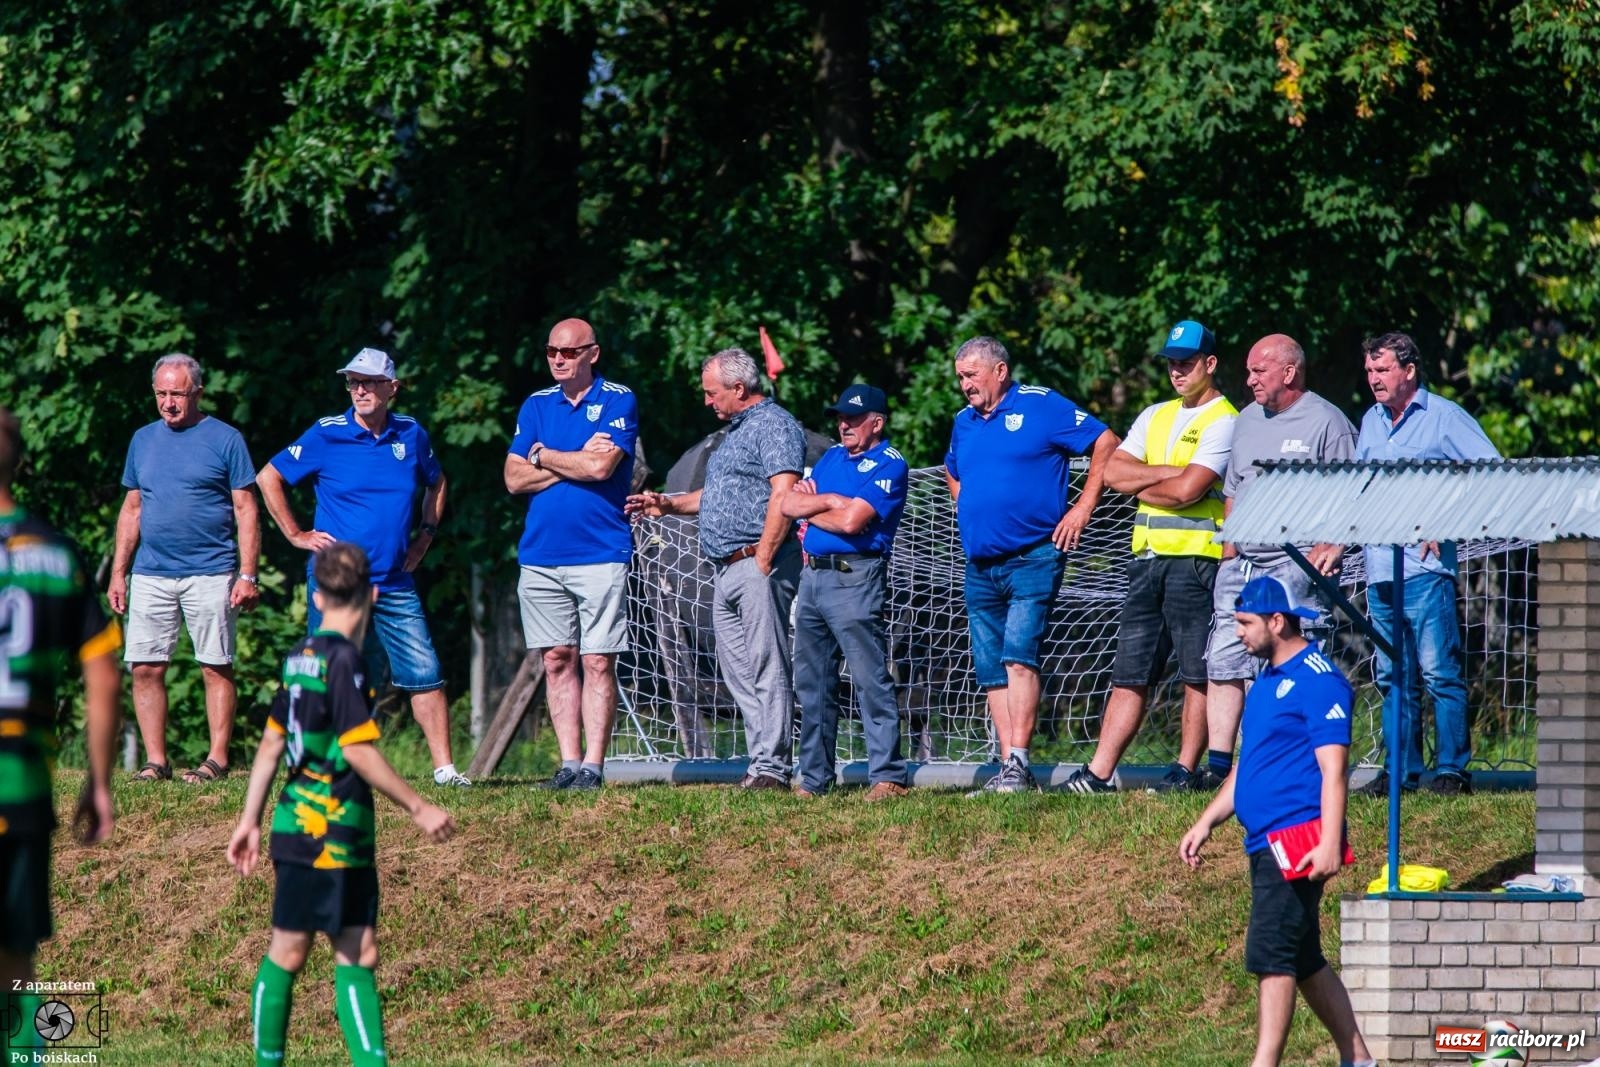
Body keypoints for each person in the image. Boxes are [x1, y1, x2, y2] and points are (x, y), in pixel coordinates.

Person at [227, 542, 456, 1067]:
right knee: (338, 951)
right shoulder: (346, 661)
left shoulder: (300, 655)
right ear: (373, 593)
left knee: (318, 949)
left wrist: (250, 821)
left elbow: (269, 745)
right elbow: (356, 748)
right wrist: (419, 807)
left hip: (296, 823)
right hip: (331, 828)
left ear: (316, 593)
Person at [1178, 575, 1376, 1067]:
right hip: (1264, 839)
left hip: (1296, 839)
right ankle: (1360, 1059)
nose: (1239, 633)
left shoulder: (1319, 680)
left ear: (1277, 620)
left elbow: (1334, 771)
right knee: (1304, 958)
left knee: (1272, 955)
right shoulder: (1266, 679)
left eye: (1245, 623)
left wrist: (1331, 840)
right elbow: (1253, 764)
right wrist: (1207, 822)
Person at [256, 347, 470, 787]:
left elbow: (437, 480)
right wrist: (296, 535)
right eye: (353, 382)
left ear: (392, 388)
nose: (360, 390)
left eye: (369, 382)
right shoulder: (326, 433)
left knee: (424, 670)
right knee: (331, 671)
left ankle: (445, 771)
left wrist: (426, 534)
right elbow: (268, 476)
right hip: (338, 582)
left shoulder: (411, 434)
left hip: (393, 579)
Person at [1065, 320, 1236, 794]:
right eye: (1171, 362)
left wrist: (1150, 481)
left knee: (1196, 674)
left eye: (1186, 362)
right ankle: (1098, 774)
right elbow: (1115, 471)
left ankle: (1185, 771)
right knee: (1129, 672)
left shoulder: (1225, 419)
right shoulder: (1154, 414)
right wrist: (1170, 475)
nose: (1177, 371)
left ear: (1210, 364)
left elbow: (1190, 490)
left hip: (1196, 562)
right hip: (1145, 559)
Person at [944, 336, 1119, 794]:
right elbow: (952, 469)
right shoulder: (964, 422)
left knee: (1019, 655)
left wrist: (1082, 508)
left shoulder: (1041, 405)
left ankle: (1020, 762)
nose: (964, 385)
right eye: (960, 376)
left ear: (999, 372)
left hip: (1034, 556)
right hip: (980, 563)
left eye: (972, 375)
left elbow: (1105, 440)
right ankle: (1008, 769)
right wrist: (969, 508)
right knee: (990, 670)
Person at [626, 348, 806, 790]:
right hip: (723, 569)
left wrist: (763, 556)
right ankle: (760, 760)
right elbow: (715, 496)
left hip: (754, 565)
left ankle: (774, 768)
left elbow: (783, 493)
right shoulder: (736, 433)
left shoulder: (774, 425)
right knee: (738, 671)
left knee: (767, 665)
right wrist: (667, 504)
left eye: (712, 393)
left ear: (739, 389)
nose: (708, 402)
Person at [0, 406, 122, 1051]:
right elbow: (104, 674)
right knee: (18, 965)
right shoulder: (57, 552)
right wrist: (98, 782)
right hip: (21, 790)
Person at [1201, 335, 1357, 791]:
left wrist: (1332, 544)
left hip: (1297, 564)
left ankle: (1291, 762)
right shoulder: (1246, 420)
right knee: (1224, 659)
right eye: (1248, 371)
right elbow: (1233, 489)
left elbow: (1352, 493)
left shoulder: (1328, 422)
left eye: (1258, 372)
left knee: (1290, 663)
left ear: (1289, 373)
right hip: (1243, 564)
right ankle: (1218, 767)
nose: (1248, 381)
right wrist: (1230, 551)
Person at [1354, 330, 1499, 796]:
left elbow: (1494, 472)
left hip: (1424, 571)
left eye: (1383, 370)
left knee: (1439, 673)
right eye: (1370, 371)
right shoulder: (1371, 421)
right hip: (1379, 569)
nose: (1374, 379)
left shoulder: (1443, 418)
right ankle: (1403, 773)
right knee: (1392, 674)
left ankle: (1453, 769)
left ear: (1409, 370)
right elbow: (1358, 487)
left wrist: (1449, 520)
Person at [109, 353, 260, 785]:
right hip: (152, 571)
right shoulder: (142, 440)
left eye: (177, 393)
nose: (168, 402)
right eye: (161, 393)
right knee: (145, 666)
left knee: (215, 664)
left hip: (211, 571)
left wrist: (247, 575)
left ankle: (216, 759)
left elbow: (246, 509)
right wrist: (119, 572)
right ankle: (156, 761)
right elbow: (132, 508)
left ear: (197, 392)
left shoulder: (225, 439)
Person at [505, 318, 638, 791]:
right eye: (551, 352)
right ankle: (568, 763)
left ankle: (594, 768)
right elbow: (513, 478)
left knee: (599, 659)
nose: (558, 359)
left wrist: (543, 456)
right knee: (557, 658)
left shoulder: (618, 399)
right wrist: (569, 458)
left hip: (601, 550)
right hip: (541, 553)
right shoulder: (537, 404)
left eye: (569, 352)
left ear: (592, 354)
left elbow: (603, 466)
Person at [781, 384, 910, 800]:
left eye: (853, 418)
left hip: (856, 576)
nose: (844, 425)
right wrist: (833, 500)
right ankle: (815, 778)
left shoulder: (889, 463)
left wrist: (821, 504)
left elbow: (854, 522)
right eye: (839, 417)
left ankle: (887, 775)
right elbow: (787, 505)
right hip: (814, 576)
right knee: (812, 683)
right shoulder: (832, 457)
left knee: (869, 677)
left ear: (877, 422)